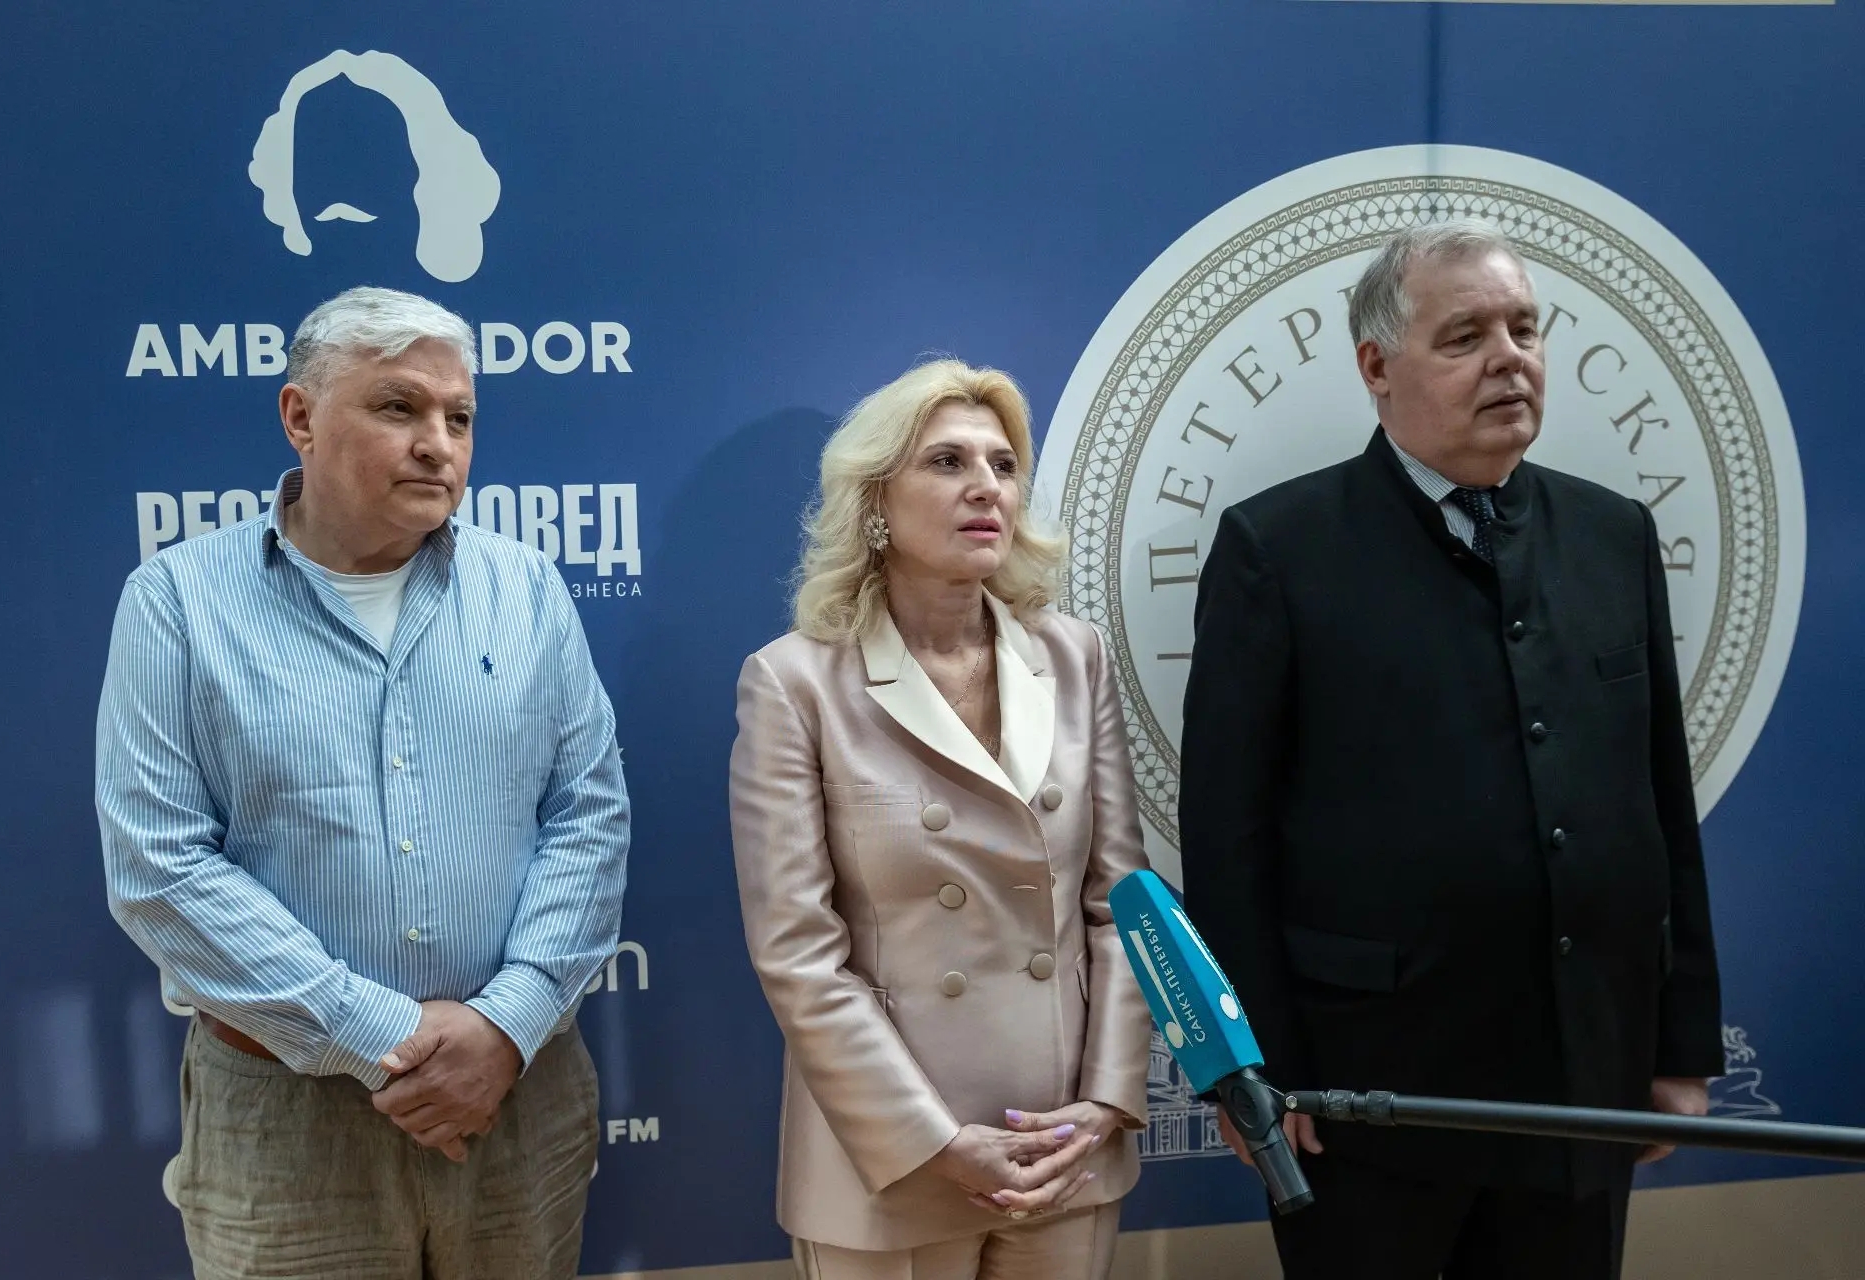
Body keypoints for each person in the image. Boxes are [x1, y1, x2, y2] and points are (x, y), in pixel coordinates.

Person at [1179, 220, 1723, 1279]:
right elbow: (1228, 837)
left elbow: (1660, 802)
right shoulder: (1277, 548)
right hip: (1361, 1096)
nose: (1509, 359)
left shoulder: (1614, 534)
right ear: (1376, 367)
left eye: (1525, 329)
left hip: (1581, 1082)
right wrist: (1253, 1071)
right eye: (1466, 336)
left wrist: (1680, 1042)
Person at [96, 286, 629, 1279]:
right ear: (300, 417)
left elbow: (587, 815)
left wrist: (505, 1024)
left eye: (460, 418)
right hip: (289, 1117)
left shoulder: (527, 590)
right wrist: (380, 1035)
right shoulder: (178, 602)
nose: (439, 444)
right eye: (399, 407)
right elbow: (159, 865)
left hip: (518, 1094)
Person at [729, 360, 1153, 1279]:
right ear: (876, 499)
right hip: (890, 1162)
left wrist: (1109, 1102)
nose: (985, 487)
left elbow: (1122, 903)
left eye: (1003, 465)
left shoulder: (1073, 657)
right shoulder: (795, 682)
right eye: (948, 462)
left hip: (1062, 1148)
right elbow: (799, 953)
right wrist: (933, 1141)